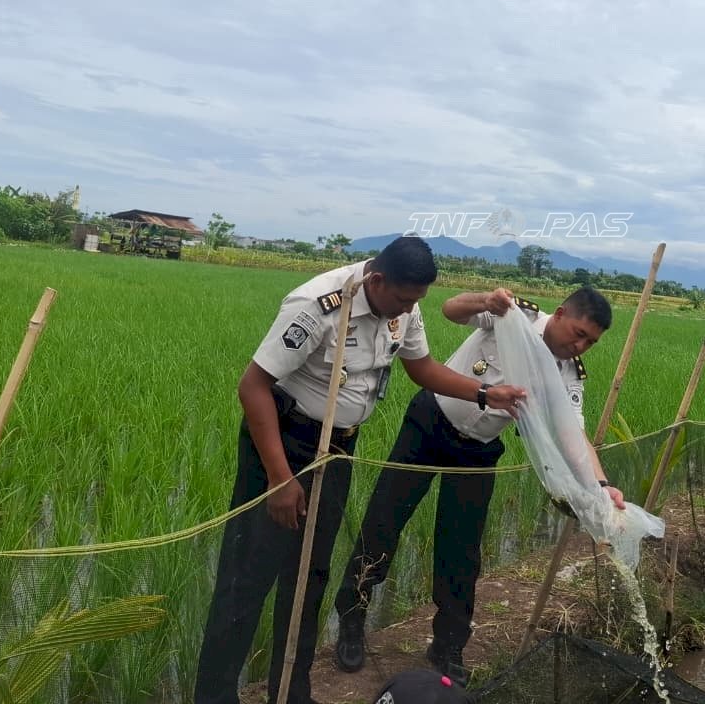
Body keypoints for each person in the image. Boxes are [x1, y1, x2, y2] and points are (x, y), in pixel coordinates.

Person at [193, 236, 527, 704]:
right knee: (246, 579)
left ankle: (291, 692)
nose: (408, 310)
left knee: (309, 576)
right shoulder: (316, 306)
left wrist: (484, 394)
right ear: (376, 280)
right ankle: (214, 697)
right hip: (283, 445)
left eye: (415, 302)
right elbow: (252, 387)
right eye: (403, 299)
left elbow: (423, 367)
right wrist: (279, 479)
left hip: (337, 451)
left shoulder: (403, 306)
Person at [333, 285, 622, 685]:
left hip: (478, 450)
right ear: (558, 314)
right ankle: (352, 617)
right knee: (384, 521)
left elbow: (574, 436)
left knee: (462, 550)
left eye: (590, 342)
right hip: (429, 423)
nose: (581, 346)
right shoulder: (512, 317)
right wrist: (487, 301)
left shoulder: (567, 374)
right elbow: (451, 309)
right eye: (578, 333)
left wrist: (601, 484)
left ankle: (448, 645)